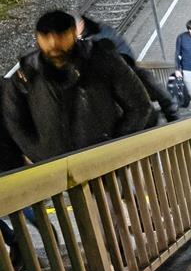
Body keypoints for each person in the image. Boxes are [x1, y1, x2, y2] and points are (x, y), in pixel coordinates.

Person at [0, 10, 153, 166]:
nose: (53, 43)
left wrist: (115, 146)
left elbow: (139, 105)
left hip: (105, 167)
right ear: (37, 38)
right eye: (46, 37)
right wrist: (40, 153)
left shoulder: (102, 59)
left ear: (74, 33)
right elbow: (15, 122)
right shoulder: (26, 75)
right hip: (55, 171)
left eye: (60, 35)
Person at [75, 13, 178, 124]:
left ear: (81, 24)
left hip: (121, 70)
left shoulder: (100, 34)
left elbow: (118, 52)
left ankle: (171, 114)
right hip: (109, 77)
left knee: (146, 82)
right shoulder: (85, 39)